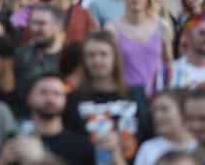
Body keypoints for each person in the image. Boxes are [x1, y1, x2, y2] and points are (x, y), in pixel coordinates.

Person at [64, 31, 152, 163]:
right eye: (90, 55)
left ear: (115, 58)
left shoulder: (136, 94)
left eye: (103, 54)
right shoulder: (73, 99)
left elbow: (148, 136)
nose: (97, 60)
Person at [107, 0, 170, 90]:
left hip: (156, 92)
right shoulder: (111, 29)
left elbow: (168, 61)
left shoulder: (161, 25)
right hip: (126, 92)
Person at [14, 4, 66, 97]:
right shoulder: (22, 54)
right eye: (33, 23)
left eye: (42, 23)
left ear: (58, 26)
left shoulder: (70, 55)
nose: (36, 28)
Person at [133, 90, 195, 165]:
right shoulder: (148, 149)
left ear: (183, 111)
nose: (157, 116)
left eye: (164, 109)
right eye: (154, 110)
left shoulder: (199, 146)